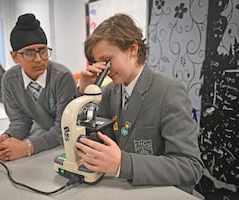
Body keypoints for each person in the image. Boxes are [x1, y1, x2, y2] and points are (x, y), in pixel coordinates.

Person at [75, 13, 204, 193]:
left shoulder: (169, 93)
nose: (105, 70)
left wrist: (123, 164)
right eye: (98, 63)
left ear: (133, 49)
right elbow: (88, 133)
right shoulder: (111, 91)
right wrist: (84, 93)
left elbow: (190, 167)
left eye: (108, 61)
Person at [0, 13, 76, 161]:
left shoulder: (62, 77)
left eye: (42, 51)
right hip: (44, 138)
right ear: (15, 56)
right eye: (29, 53)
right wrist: (7, 137)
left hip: (63, 147)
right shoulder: (9, 80)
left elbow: (64, 129)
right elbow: (20, 121)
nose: (39, 59)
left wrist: (28, 147)